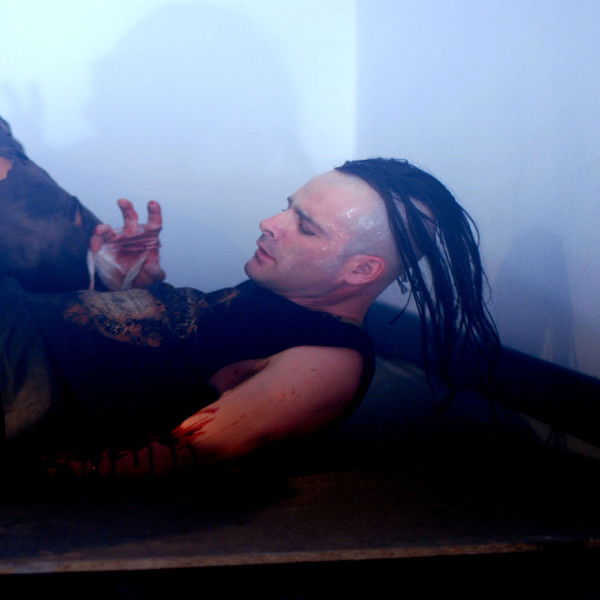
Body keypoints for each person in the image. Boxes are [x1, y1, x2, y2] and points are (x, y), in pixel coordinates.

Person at [0, 116, 499, 480]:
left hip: (21, 371)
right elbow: (167, 355)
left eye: (305, 227)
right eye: (288, 208)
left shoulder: (327, 361)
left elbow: (178, 456)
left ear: (361, 270)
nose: (270, 223)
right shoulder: (278, 295)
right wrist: (123, 285)